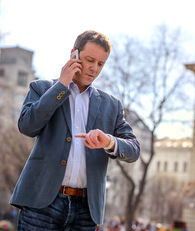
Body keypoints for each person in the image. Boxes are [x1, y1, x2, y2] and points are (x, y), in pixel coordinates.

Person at [10, 30, 140, 231]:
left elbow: (134, 150)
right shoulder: (42, 88)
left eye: (100, 64)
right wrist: (62, 85)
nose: (94, 69)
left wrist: (109, 142)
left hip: (85, 211)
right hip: (41, 204)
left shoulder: (111, 105)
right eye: (89, 60)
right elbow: (27, 126)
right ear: (74, 54)